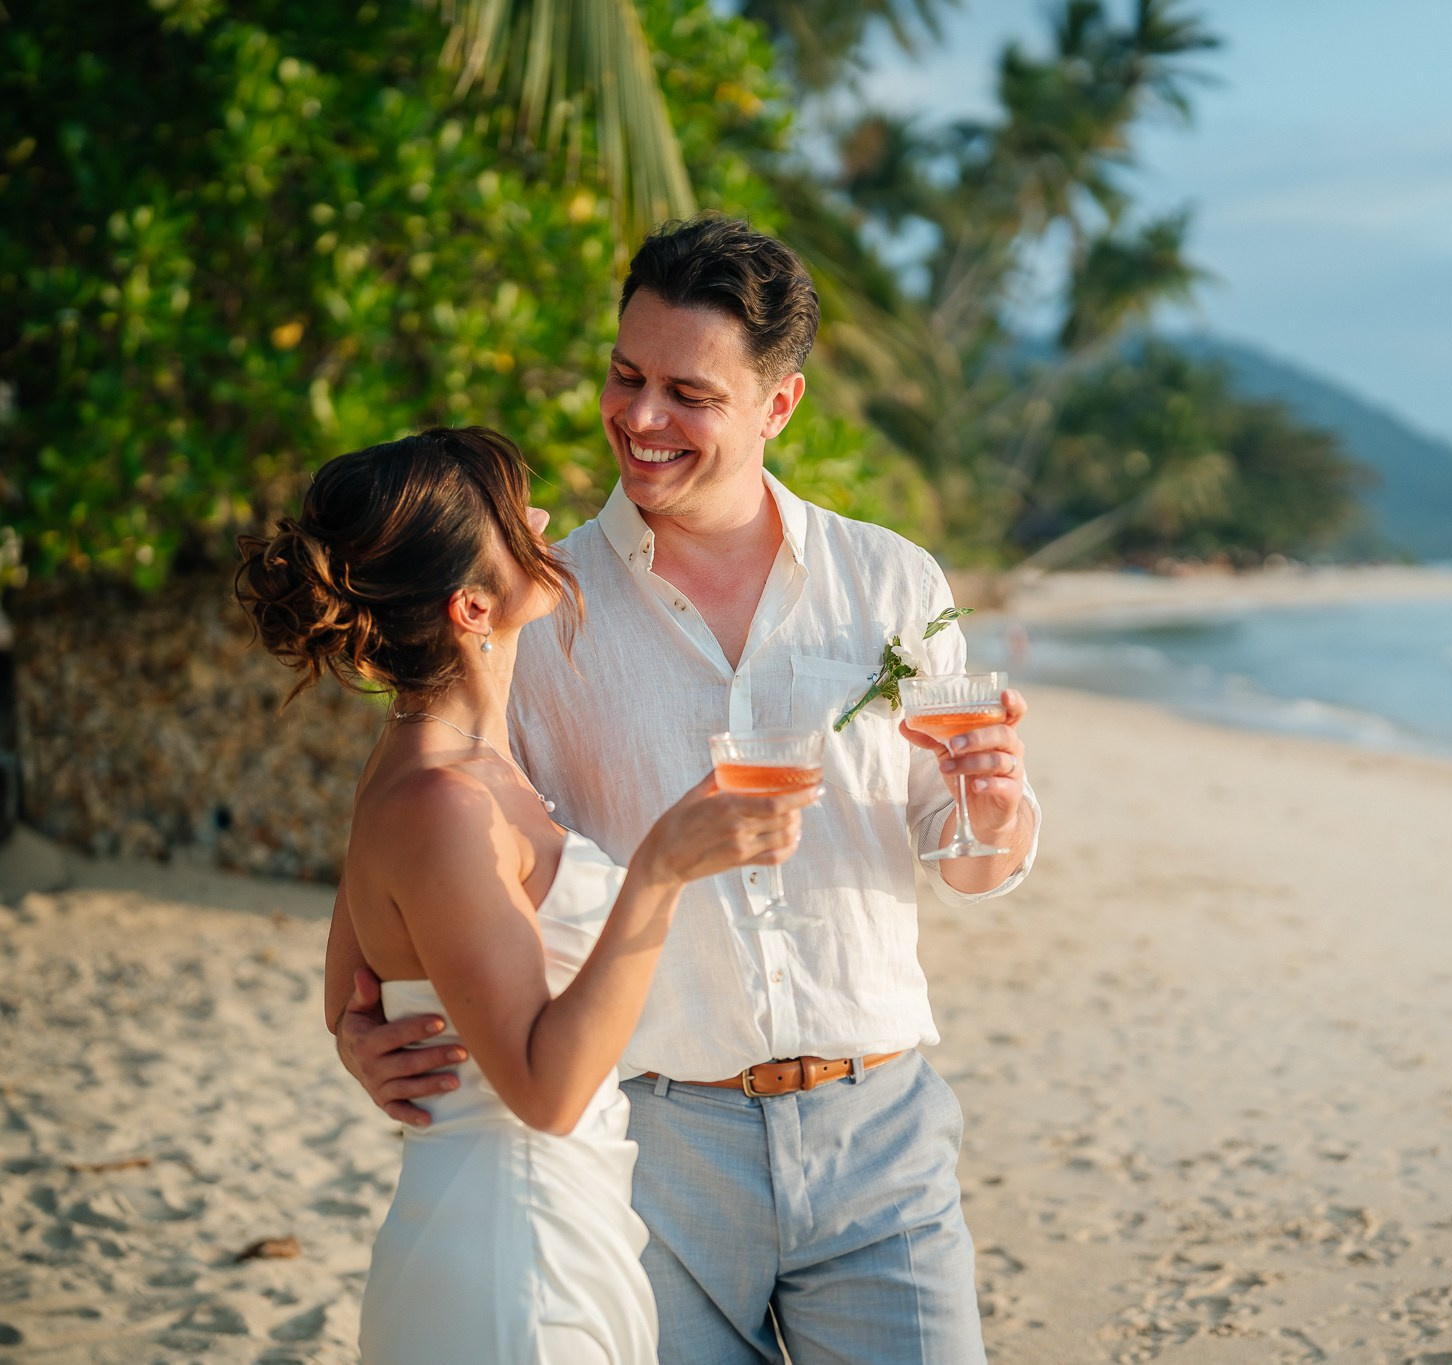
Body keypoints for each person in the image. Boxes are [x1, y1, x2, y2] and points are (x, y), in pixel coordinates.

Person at [332, 217, 1040, 1362]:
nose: (640, 419)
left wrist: (994, 815)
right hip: (650, 1148)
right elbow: (417, 793)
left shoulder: (889, 579)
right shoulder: (540, 602)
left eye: (686, 393)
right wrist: (356, 1018)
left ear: (779, 405)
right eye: (625, 376)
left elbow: (959, 856)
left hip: (880, 1136)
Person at [239, 427, 816, 1364]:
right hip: (516, 1254)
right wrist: (661, 871)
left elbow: (349, 994)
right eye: (516, 518)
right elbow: (546, 1092)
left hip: (545, 1224)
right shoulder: (441, 798)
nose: (545, 520)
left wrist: (358, 1042)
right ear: (472, 606)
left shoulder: (426, 757)